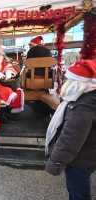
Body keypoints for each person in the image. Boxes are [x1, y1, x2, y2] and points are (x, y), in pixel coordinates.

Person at [45, 59, 96, 200]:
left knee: (79, 195)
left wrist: (55, 164)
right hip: (88, 155)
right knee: (74, 190)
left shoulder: (82, 107)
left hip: (80, 161)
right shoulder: (86, 100)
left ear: (76, 83)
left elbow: (70, 140)